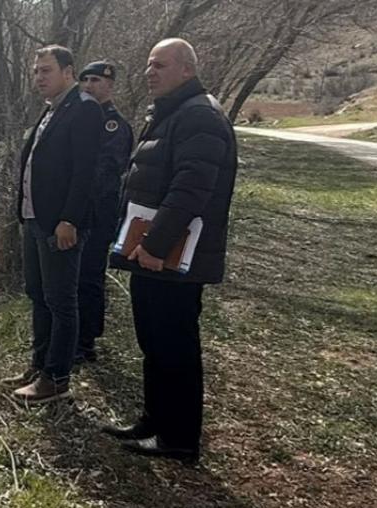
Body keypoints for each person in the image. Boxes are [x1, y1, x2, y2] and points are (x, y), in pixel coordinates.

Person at [104, 38, 238, 462]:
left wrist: (154, 244)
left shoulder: (199, 116)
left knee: (175, 345)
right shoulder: (172, 112)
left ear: (187, 70)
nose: (150, 72)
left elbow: (191, 189)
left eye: (160, 65)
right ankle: (153, 421)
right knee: (154, 341)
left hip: (172, 256)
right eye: (148, 64)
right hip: (151, 253)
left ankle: (178, 438)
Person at [7, 45, 103, 403]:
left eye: (46, 70)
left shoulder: (84, 109)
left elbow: (85, 172)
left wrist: (69, 219)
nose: (38, 77)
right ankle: (39, 365)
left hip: (60, 224)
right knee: (38, 294)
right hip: (35, 218)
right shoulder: (52, 110)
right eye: (36, 71)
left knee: (61, 301)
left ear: (68, 71)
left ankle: (57, 378)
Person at [75, 61, 133, 364]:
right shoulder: (80, 119)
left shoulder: (114, 125)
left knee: (89, 276)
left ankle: (86, 343)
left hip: (98, 214)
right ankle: (71, 335)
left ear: (109, 85)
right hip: (75, 213)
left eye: (95, 80)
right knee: (72, 277)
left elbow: (107, 172)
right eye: (84, 80)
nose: (88, 86)